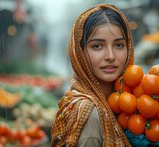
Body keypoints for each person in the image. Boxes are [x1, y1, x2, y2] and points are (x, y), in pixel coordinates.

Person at [51, 4, 134, 147]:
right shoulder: (89, 113)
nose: (110, 56)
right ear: (80, 52)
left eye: (119, 45)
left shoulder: (128, 103)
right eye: (97, 46)